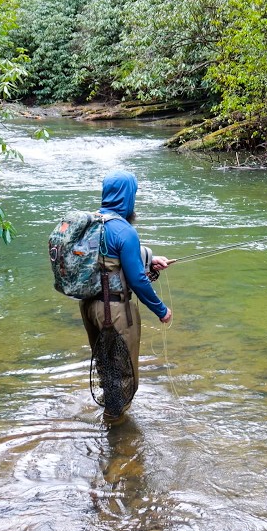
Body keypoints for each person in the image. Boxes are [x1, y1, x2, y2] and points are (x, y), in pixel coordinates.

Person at [80, 170, 172, 420]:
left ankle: (110, 417)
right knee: (123, 373)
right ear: (127, 197)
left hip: (88, 307)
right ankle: (116, 431)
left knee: (105, 366)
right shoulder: (124, 231)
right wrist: (161, 310)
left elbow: (108, 259)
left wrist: (150, 258)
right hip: (114, 311)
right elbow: (138, 281)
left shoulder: (89, 223)